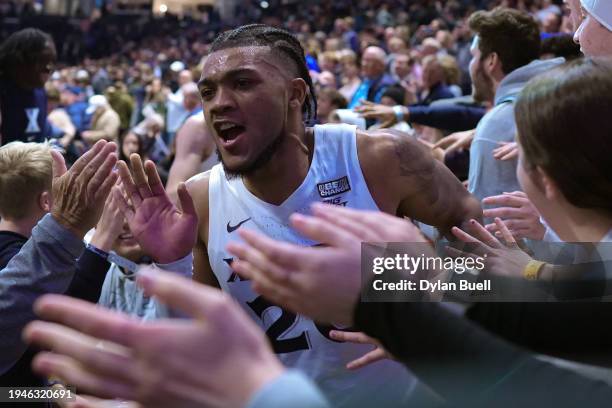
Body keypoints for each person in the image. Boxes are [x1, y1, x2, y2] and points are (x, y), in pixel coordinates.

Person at [116, 24, 480, 407]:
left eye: (242, 83)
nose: (218, 103)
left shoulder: (379, 159)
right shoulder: (201, 198)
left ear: (294, 94)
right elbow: (205, 347)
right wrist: (170, 265)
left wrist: (423, 307)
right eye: (208, 91)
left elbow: (496, 257)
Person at [0, 140, 118, 375]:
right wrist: (102, 238)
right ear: (46, 201)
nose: (69, 195)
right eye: (63, 189)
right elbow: (66, 308)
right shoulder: (13, 259)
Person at [0, 28, 56, 145]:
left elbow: (42, 132)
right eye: (43, 61)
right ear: (19, 60)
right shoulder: (4, 93)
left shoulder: (40, 92)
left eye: (51, 61)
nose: (48, 68)